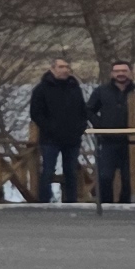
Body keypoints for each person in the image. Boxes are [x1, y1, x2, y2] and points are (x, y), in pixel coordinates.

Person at [29, 54, 90, 204]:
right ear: (52, 69)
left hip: (72, 137)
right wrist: (50, 128)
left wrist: (81, 127)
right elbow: (36, 113)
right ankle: (44, 201)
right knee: (48, 171)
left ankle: (71, 201)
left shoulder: (74, 87)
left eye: (67, 67)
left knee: (71, 171)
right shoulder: (41, 89)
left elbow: (83, 110)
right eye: (61, 67)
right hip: (50, 138)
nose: (65, 70)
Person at [86, 60, 135, 204]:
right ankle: (106, 205)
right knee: (105, 176)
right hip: (108, 141)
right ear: (112, 74)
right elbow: (88, 110)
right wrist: (99, 125)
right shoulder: (101, 91)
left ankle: (124, 205)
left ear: (130, 72)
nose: (120, 74)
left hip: (133, 142)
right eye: (117, 71)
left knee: (129, 177)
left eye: (124, 71)